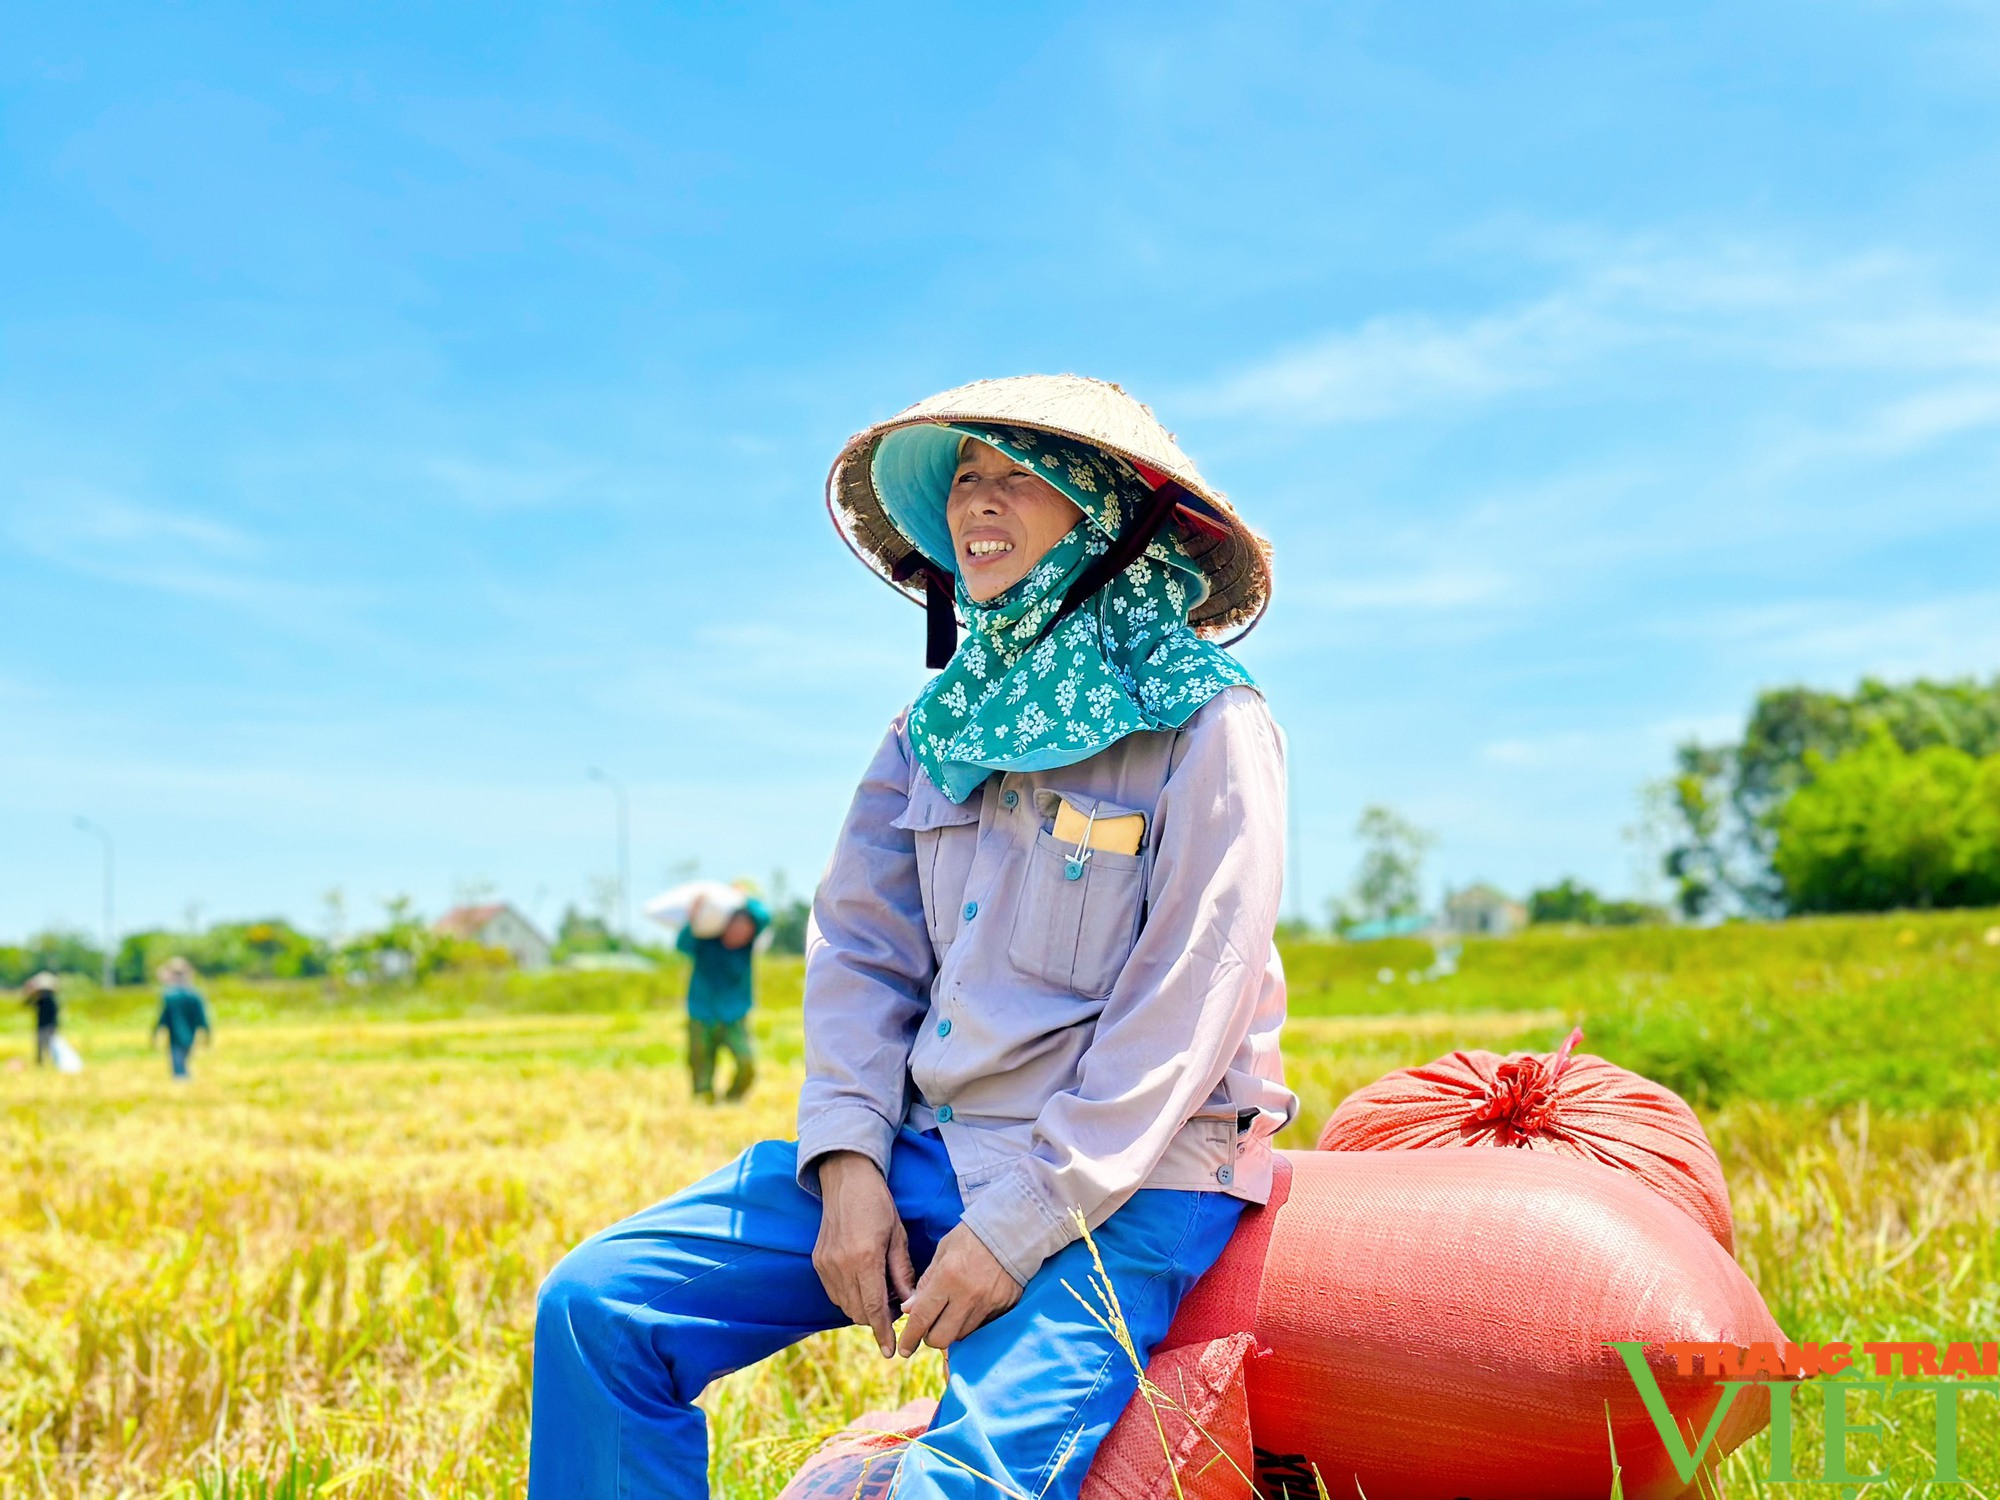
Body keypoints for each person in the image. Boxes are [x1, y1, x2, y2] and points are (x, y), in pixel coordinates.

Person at [529, 374, 1293, 1500]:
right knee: (600, 1306)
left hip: (1124, 1179)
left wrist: (1018, 1227)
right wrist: (844, 1166)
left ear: (1104, 511)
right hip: (926, 1143)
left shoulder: (1209, 720)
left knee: (957, 1485)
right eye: (963, 480)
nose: (976, 503)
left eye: (1015, 476)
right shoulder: (926, 732)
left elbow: (1190, 997)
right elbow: (859, 952)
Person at [676, 889, 770, 1103]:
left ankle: (732, 1098)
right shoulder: (705, 942)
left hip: (734, 1013)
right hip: (702, 1011)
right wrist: (695, 915)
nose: (739, 933)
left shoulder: (746, 948)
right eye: (735, 926)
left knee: (746, 1061)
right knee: (700, 1063)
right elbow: (682, 944)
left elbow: (765, 917)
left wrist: (743, 898)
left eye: (745, 929)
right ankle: (703, 1099)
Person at [152, 957, 212, 1080]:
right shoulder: (195, 994)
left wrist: (155, 1033)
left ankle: (183, 1085)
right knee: (184, 1062)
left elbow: (163, 1018)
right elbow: (203, 1018)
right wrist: (207, 1034)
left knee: (178, 1067)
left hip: (175, 1037)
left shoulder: (169, 996)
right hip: (191, 1036)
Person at [21, 972, 60, 1066]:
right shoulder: (50, 999)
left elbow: (26, 1004)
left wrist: (29, 992)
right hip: (48, 1026)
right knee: (46, 1046)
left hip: (46, 1026)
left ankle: (45, 1063)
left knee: (45, 1046)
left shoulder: (44, 1000)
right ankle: (47, 1063)